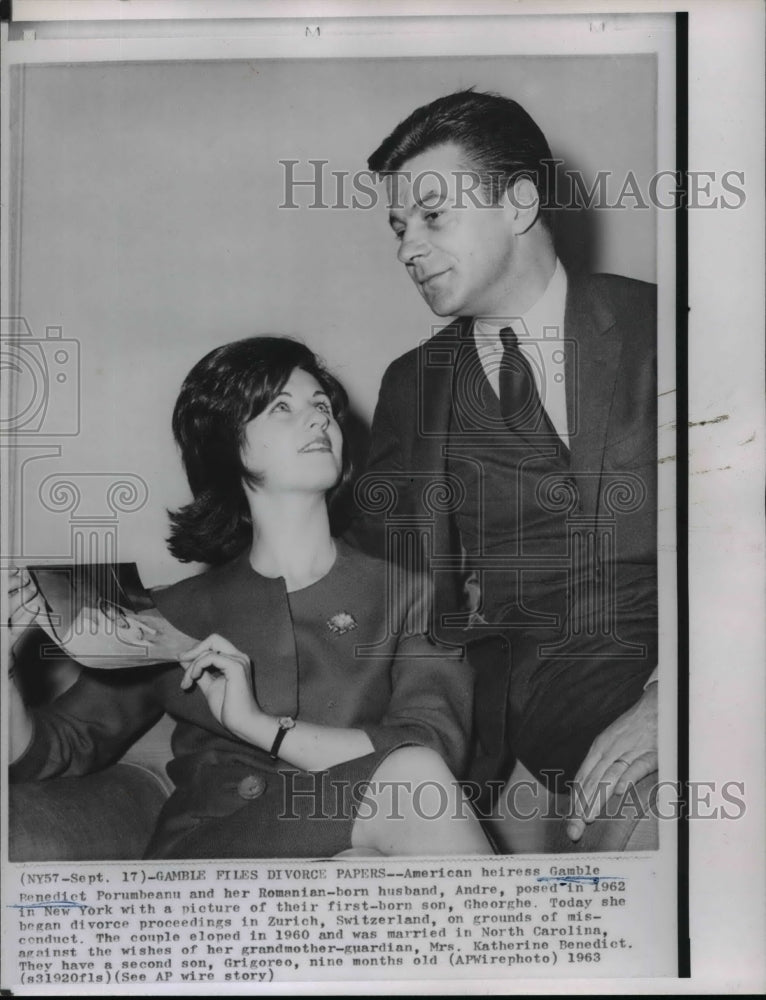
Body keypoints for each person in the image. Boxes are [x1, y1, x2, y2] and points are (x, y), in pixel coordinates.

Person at [8, 336, 490, 859]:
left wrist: (262, 728)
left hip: (346, 856)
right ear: (228, 443)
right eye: (281, 407)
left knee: (371, 847)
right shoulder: (169, 611)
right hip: (211, 867)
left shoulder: (410, 595)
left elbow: (433, 746)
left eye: (322, 407)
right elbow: (53, 750)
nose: (317, 421)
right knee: (399, 797)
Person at [350, 90, 659, 842]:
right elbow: (368, 570)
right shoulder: (411, 387)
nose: (406, 248)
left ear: (519, 203)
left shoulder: (667, 324)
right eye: (397, 228)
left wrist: (685, 686)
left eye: (431, 216)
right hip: (566, 682)